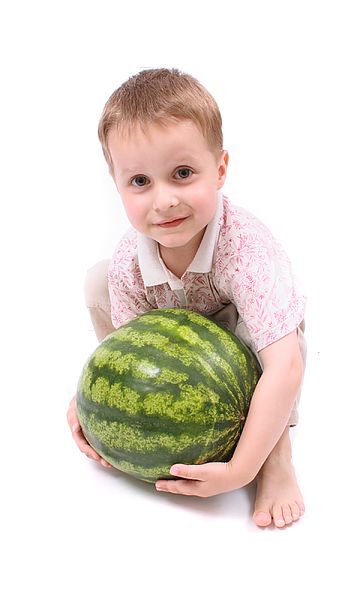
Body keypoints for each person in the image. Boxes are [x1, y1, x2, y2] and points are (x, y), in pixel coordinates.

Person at [67, 68, 307, 529]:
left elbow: (286, 367)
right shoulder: (129, 260)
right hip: (174, 323)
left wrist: (242, 470)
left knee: (277, 346)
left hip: (245, 329)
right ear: (116, 185)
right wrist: (93, 398)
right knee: (97, 283)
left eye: (182, 173)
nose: (164, 201)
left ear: (219, 170)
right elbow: (131, 347)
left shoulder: (246, 251)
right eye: (140, 182)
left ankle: (276, 457)